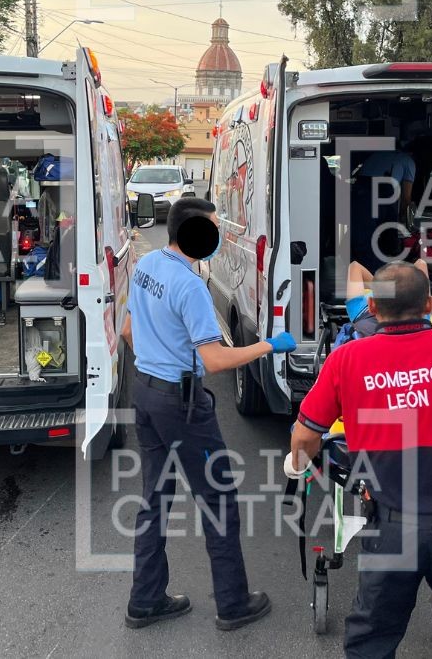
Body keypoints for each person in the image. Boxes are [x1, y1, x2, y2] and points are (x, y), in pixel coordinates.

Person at [287, 262, 432, 658]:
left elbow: (306, 435)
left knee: (372, 642)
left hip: (392, 528)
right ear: (430, 304)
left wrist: (299, 463)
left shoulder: (348, 360)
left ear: (372, 308)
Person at [121, 197, 297, 630]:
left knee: (154, 498)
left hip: (145, 392)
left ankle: (144, 601)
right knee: (218, 499)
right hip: (181, 404)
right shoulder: (190, 286)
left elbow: (127, 331)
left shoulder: (145, 266)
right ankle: (233, 604)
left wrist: (155, 366)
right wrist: (269, 346)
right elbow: (216, 361)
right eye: (214, 228)